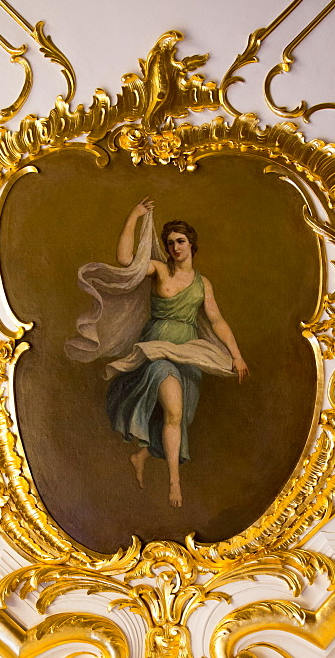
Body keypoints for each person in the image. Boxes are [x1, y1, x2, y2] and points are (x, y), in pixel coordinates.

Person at [65, 198, 248, 508]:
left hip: (189, 353)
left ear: (191, 244)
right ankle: (174, 484)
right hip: (156, 349)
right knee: (173, 411)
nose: (176, 247)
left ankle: (143, 454)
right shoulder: (160, 270)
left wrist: (236, 354)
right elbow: (125, 260)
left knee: (178, 415)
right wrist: (134, 216)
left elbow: (217, 321)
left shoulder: (203, 284)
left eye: (181, 241)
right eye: (171, 242)